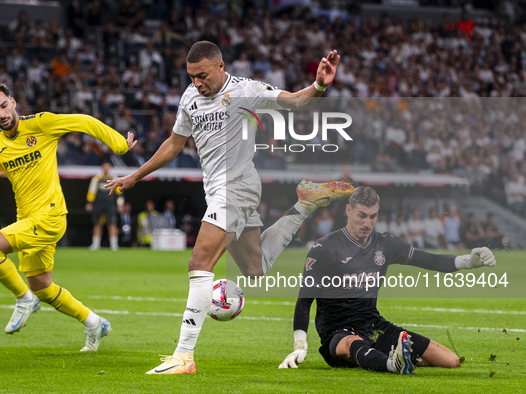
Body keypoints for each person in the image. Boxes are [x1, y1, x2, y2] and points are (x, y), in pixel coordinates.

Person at [106, 41, 354, 374]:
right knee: (255, 267)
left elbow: (296, 103)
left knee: (199, 261)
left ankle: (184, 356)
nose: (197, 83)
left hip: (236, 187)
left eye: (203, 75)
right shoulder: (189, 98)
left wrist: (319, 84)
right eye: (192, 76)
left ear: (221, 67)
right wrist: (136, 175)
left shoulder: (247, 90)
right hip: (220, 192)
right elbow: (174, 144)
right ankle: (303, 206)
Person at [0, 82, 135, 351]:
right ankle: (94, 323)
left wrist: (119, 144)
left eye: (3, 105)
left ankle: (23, 299)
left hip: (51, 216)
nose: (1, 113)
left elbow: (83, 121)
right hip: (27, 220)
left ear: (13, 101)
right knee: (42, 287)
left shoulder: (41, 124)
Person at [279, 187, 497, 374]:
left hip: (374, 326)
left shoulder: (385, 244)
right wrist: (300, 344)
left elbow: (432, 261)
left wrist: (468, 261)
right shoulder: (324, 249)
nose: (367, 222)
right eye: (362, 215)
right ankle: (392, 365)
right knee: (348, 344)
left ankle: (391, 359)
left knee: (451, 361)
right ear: (348, 211)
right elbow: (305, 300)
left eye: (373, 216)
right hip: (337, 333)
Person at [86, 160, 124, 251]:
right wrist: (89, 203)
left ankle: (114, 245)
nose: (106, 168)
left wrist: (120, 204)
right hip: (98, 204)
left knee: (112, 224)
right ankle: (95, 244)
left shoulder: (114, 178)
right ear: (102, 168)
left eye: (108, 166)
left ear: (110, 168)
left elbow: (119, 193)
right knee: (97, 223)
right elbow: (92, 191)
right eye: (104, 166)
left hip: (110, 205)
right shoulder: (96, 178)